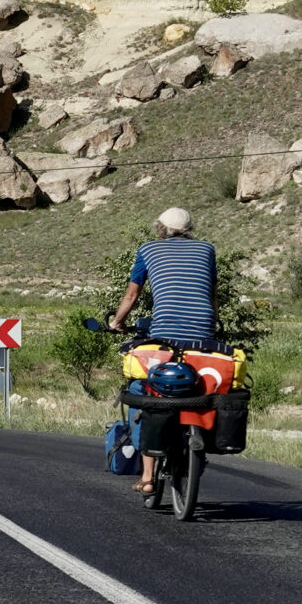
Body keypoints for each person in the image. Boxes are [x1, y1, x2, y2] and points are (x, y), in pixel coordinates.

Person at [109, 207, 219, 495]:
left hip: (164, 335)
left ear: (160, 228)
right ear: (189, 229)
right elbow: (211, 295)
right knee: (201, 387)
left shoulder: (148, 249)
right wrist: (211, 330)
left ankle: (147, 477)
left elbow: (132, 294)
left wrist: (117, 322)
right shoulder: (207, 249)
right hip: (203, 332)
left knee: (144, 391)